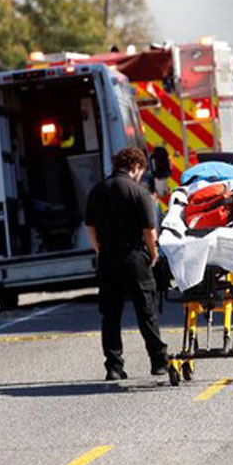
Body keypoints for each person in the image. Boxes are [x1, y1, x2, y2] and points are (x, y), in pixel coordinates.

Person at [85, 147, 168, 380]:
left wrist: (99, 248)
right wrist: (154, 254)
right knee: (146, 311)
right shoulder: (138, 192)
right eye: (141, 170)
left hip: (108, 258)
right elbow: (148, 231)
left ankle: (113, 366)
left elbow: (90, 226)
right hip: (134, 258)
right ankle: (159, 361)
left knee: (110, 314)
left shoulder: (98, 190)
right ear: (136, 167)